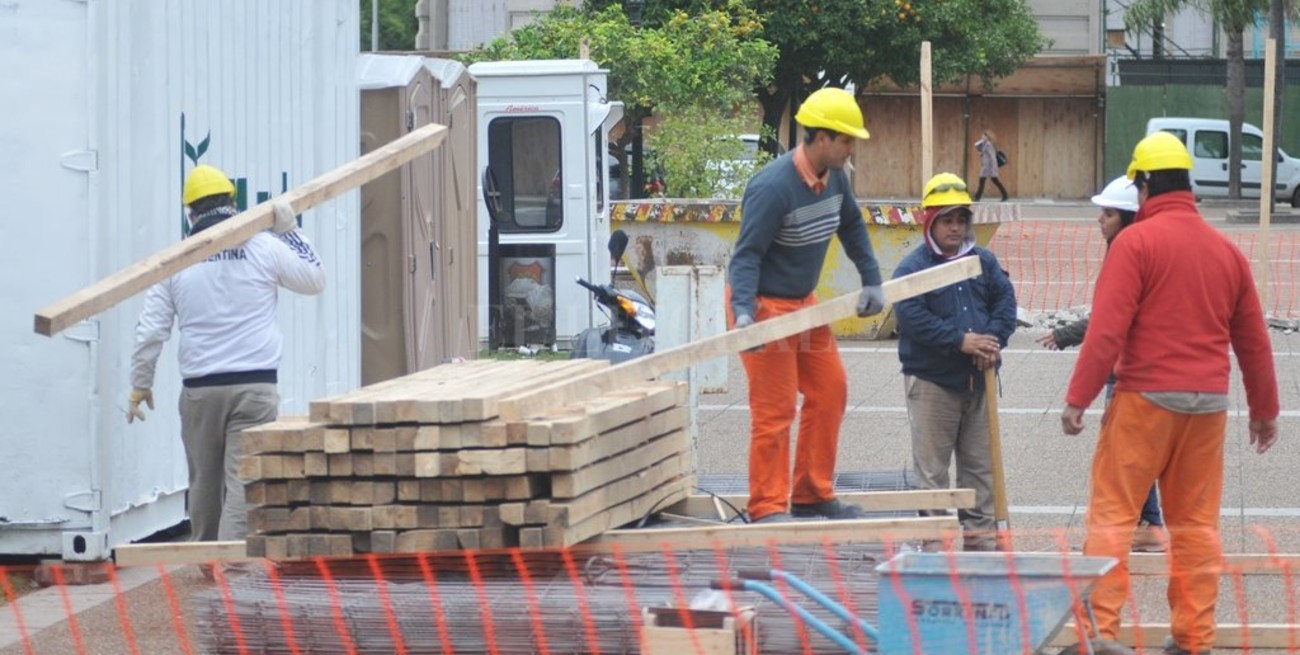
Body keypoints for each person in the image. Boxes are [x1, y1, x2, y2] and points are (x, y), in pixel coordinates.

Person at [1059, 132, 1278, 655]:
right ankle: (1193, 640)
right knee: (1197, 527)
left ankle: (1103, 636)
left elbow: (1107, 330)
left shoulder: (1135, 243)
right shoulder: (1227, 252)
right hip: (1208, 407)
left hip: (1144, 400)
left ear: (1146, 185)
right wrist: (1265, 412)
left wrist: (1078, 398)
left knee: (1112, 516)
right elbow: (1253, 340)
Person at [127, 164, 326, 542]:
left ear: (190, 213)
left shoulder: (175, 260)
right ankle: (231, 562)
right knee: (242, 478)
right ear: (234, 203)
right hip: (255, 386)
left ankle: (204, 557)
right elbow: (314, 279)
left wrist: (140, 384)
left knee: (203, 479)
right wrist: (291, 231)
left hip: (201, 390)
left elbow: (151, 330)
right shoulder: (264, 246)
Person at [726, 87, 885, 524]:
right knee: (775, 411)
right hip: (763, 307)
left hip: (805, 305)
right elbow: (746, 256)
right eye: (847, 140)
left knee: (829, 391)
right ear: (821, 138)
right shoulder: (773, 188)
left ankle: (813, 494)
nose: (852, 148)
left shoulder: (836, 179)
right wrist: (744, 315)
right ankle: (768, 507)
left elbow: (852, 228)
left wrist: (873, 281)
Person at [1035, 175, 1166, 553]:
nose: (1100, 220)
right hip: (1129, 370)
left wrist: (1066, 336)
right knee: (1128, 453)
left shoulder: (1130, 252)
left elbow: (1109, 320)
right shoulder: (1124, 247)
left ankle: (1146, 525)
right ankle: (1144, 523)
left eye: (1107, 214)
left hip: (1127, 372)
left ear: (1128, 217)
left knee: (1124, 455)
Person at [892, 172, 1017, 551]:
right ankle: (935, 557)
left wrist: (992, 343)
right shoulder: (912, 269)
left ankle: (982, 553)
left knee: (981, 474)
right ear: (930, 221)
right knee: (932, 476)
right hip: (933, 384)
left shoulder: (984, 262)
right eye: (947, 219)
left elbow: (1005, 304)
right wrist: (960, 341)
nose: (955, 227)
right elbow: (911, 317)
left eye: (961, 219)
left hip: (979, 383)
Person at [973, 129, 1008, 202]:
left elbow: (992, 156)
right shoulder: (985, 144)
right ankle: (977, 196)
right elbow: (987, 155)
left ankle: (1005, 195)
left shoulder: (988, 144)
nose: (982, 137)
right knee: (984, 180)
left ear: (987, 137)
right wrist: (981, 154)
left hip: (989, 166)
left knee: (993, 180)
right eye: (982, 136)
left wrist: (994, 167)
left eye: (983, 136)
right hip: (986, 166)